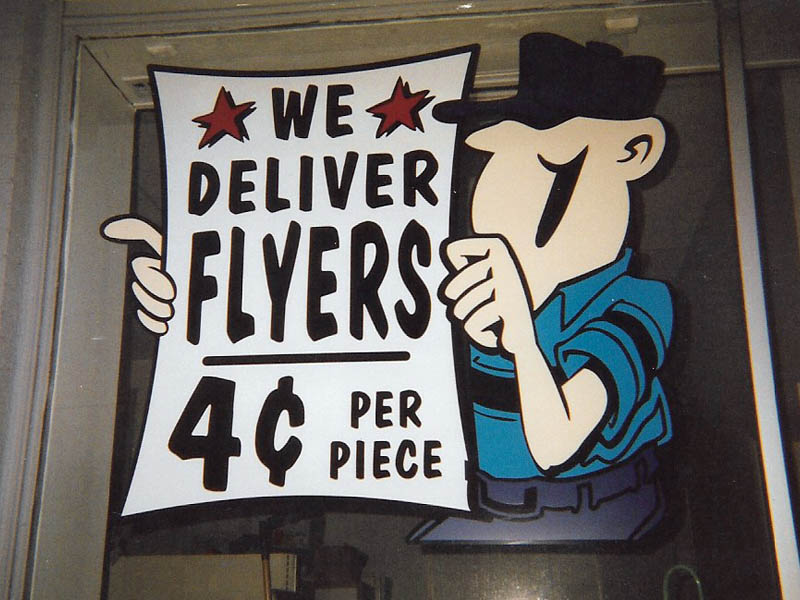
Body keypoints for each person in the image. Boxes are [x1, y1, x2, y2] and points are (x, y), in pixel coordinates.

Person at [410, 32, 674, 543]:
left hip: (601, 518)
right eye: (503, 159)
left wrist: (521, 342)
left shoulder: (637, 305)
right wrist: (471, 347)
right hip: (480, 512)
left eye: (546, 160)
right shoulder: (484, 295)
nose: (502, 197)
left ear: (634, 152)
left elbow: (556, 445)